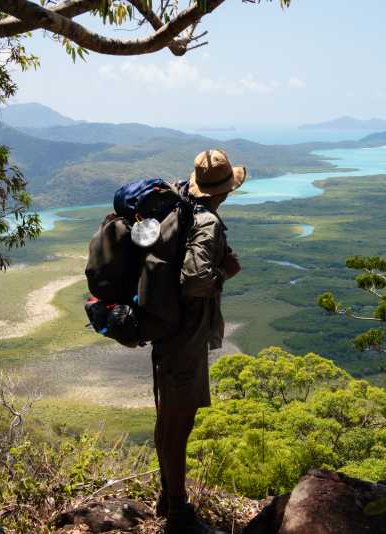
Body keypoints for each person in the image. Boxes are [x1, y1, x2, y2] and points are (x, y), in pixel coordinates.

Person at [152, 149, 245, 534]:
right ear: (225, 189)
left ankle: (166, 494)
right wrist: (224, 272)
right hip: (184, 336)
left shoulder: (181, 204)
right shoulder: (205, 222)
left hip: (166, 329)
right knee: (179, 422)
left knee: (168, 417)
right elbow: (194, 283)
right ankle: (178, 513)